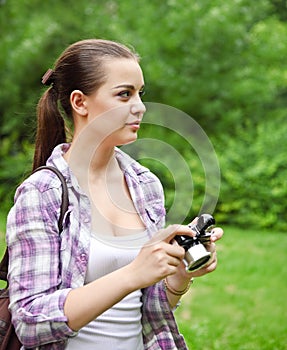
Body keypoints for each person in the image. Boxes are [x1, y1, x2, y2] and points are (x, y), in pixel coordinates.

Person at [6, 39, 223, 349]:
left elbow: (148, 307)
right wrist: (133, 274)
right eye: (124, 94)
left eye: (140, 93)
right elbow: (30, 322)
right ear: (80, 103)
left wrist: (178, 276)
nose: (140, 106)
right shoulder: (42, 193)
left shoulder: (145, 185)